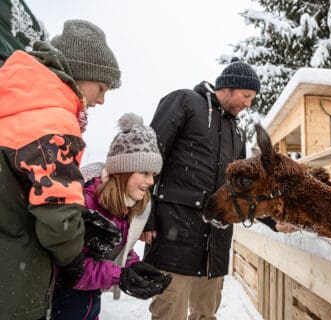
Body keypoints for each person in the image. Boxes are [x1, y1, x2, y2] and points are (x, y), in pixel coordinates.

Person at [0, 20, 121, 320]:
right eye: (102, 87)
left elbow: (22, 190)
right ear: (81, 75)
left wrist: (80, 215)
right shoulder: (53, 119)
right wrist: (73, 258)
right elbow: (57, 217)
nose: (101, 100)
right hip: (14, 285)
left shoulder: (18, 102)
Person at [141, 57, 260, 320]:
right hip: (175, 237)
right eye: (246, 95)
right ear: (228, 87)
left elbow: (243, 187)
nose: (248, 104)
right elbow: (148, 158)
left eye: (251, 98)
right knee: (169, 312)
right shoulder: (185, 102)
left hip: (215, 246)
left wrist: (276, 219)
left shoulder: (237, 132)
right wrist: (144, 217)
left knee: (206, 315)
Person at [52, 113, 172, 320]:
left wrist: (133, 265)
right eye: (144, 172)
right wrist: (120, 275)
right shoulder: (86, 203)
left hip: (87, 305)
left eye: (153, 174)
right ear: (123, 171)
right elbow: (69, 269)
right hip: (60, 306)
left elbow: (112, 249)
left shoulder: (127, 205)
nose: (151, 181)